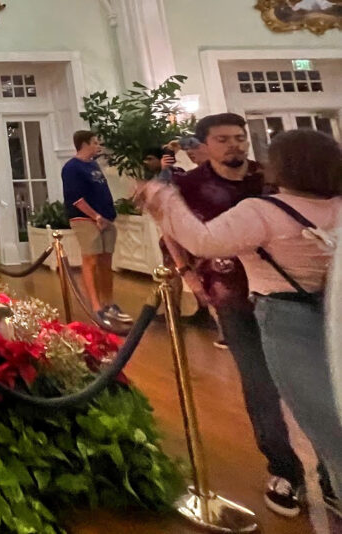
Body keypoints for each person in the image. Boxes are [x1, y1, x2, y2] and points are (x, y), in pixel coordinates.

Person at [140, 128, 342, 519]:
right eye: (224, 138)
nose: (237, 145)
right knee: (288, 392)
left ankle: (327, 476)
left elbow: (202, 239)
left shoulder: (263, 207)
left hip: (284, 312)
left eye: (240, 137)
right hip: (293, 306)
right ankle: (294, 472)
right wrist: (188, 274)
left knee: (313, 404)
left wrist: (162, 198)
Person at [61, 131, 129, 324]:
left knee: (106, 262)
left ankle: (109, 302)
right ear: (84, 144)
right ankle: (96, 305)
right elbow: (75, 198)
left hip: (105, 219)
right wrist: (95, 216)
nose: (98, 146)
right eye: (95, 143)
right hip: (86, 220)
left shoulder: (93, 165)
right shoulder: (72, 168)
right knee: (90, 260)